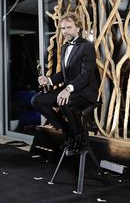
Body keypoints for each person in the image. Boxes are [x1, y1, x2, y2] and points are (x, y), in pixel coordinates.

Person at [31, 12, 98, 152]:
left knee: (64, 101)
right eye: (63, 28)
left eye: (69, 27)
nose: (65, 31)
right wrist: (48, 80)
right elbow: (64, 74)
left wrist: (68, 90)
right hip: (69, 90)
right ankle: (68, 131)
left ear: (78, 28)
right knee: (37, 100)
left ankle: (78, 139)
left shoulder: (87, 46)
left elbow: (86, 75)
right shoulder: (64, 47)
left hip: (85, 92)